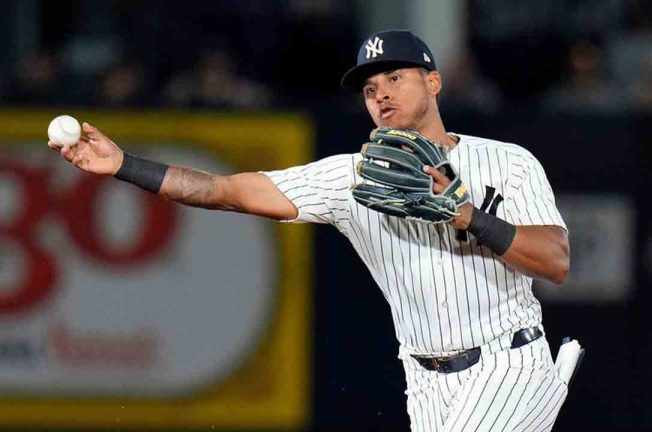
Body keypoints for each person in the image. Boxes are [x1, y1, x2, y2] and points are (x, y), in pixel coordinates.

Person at [49, 30, 571, 431]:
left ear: (433, 82)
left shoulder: (506, 162)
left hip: (509, 363)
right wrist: (122, 165)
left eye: (395, 78)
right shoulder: (348, 179)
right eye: (370, 87)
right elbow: (224, 191)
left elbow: (557, 261)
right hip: (425, 384)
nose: (381, 94)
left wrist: (467, 216)